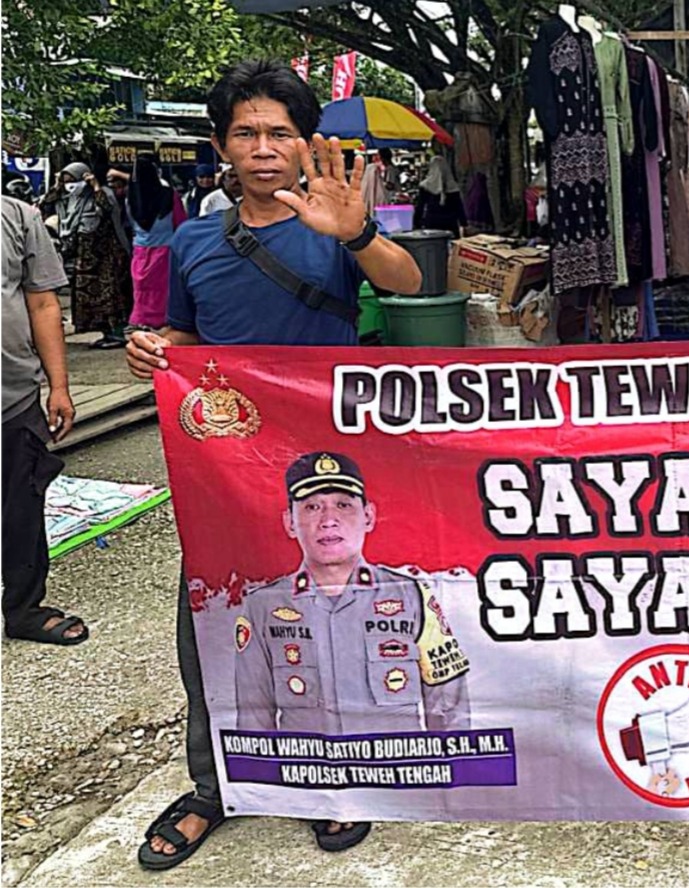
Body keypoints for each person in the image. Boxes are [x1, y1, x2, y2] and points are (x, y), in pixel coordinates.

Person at [126, 59, 422, 871]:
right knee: (213, 614)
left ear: (303, 143)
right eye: (246, 133)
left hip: (327, 464)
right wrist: (152, 347)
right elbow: (186, 337)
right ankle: (214, 785)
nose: (263, 148)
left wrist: (355, 234)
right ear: (222, 144)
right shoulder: (193, 240)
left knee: (334, 612)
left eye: (280, 133)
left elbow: (407, 282)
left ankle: (334, 773)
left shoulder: (334, 224)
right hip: (228, 465)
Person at [235, 452, 470, 735]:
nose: (328, 520)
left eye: (343, 505)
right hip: (309, 763)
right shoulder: (263, 606)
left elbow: (449, 711)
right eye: (312, 507)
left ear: (368, 516)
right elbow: (253, 720)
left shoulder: (412, 596)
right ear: (290, 522)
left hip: (397, 763)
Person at [2, 195, 87, 645]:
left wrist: (59, 385)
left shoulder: (18, 216)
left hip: (11, 395)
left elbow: (42, 304)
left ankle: (23, 608)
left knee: (22, 506)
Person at [54, 162, 133, 348]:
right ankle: (106, 334)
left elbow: (107, 208)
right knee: (89, 301)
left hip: (107, 258)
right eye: (66, 181)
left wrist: (95, 186)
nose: (70, 185)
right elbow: (47, 202)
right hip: (85, 260)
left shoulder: (102, 194)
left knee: (111, 299)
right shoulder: (72, 201)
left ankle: (117, 335)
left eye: (73, 180)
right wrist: (57, 185)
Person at [127, 154, 186, 330]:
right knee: (164, 289)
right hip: (165, 250)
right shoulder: (169, 195)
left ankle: (142, 319)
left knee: (142, 290)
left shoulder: (131, 198)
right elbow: (180, 222)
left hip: (140, 252)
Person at [414, 153, 463, 234]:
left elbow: (420, 206)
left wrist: (416, 223)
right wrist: (464, 223)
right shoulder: (453, 186)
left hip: (432, 222)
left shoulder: (425, 186)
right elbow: (459, 207)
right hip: (450, 224)